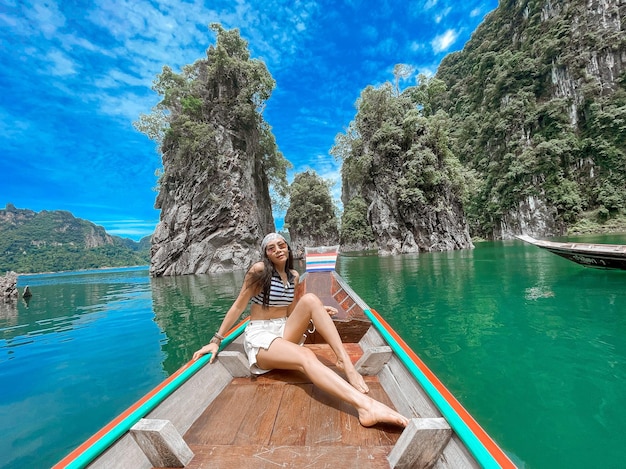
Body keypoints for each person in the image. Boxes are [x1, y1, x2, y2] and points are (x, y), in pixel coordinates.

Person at [193, 232, 408, 428]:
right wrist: (216, 340)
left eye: (281, 245)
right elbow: (239, 306)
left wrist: (317, 310)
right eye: (271, 248)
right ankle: (366, 406)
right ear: (266, 254)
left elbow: (290, 310)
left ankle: (346, 363)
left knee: (311, 299)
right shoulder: (259, 271)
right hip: (261, 335)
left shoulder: (294, 276)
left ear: (288, 247)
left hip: (283, 329)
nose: (278, 250)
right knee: (306, 355)